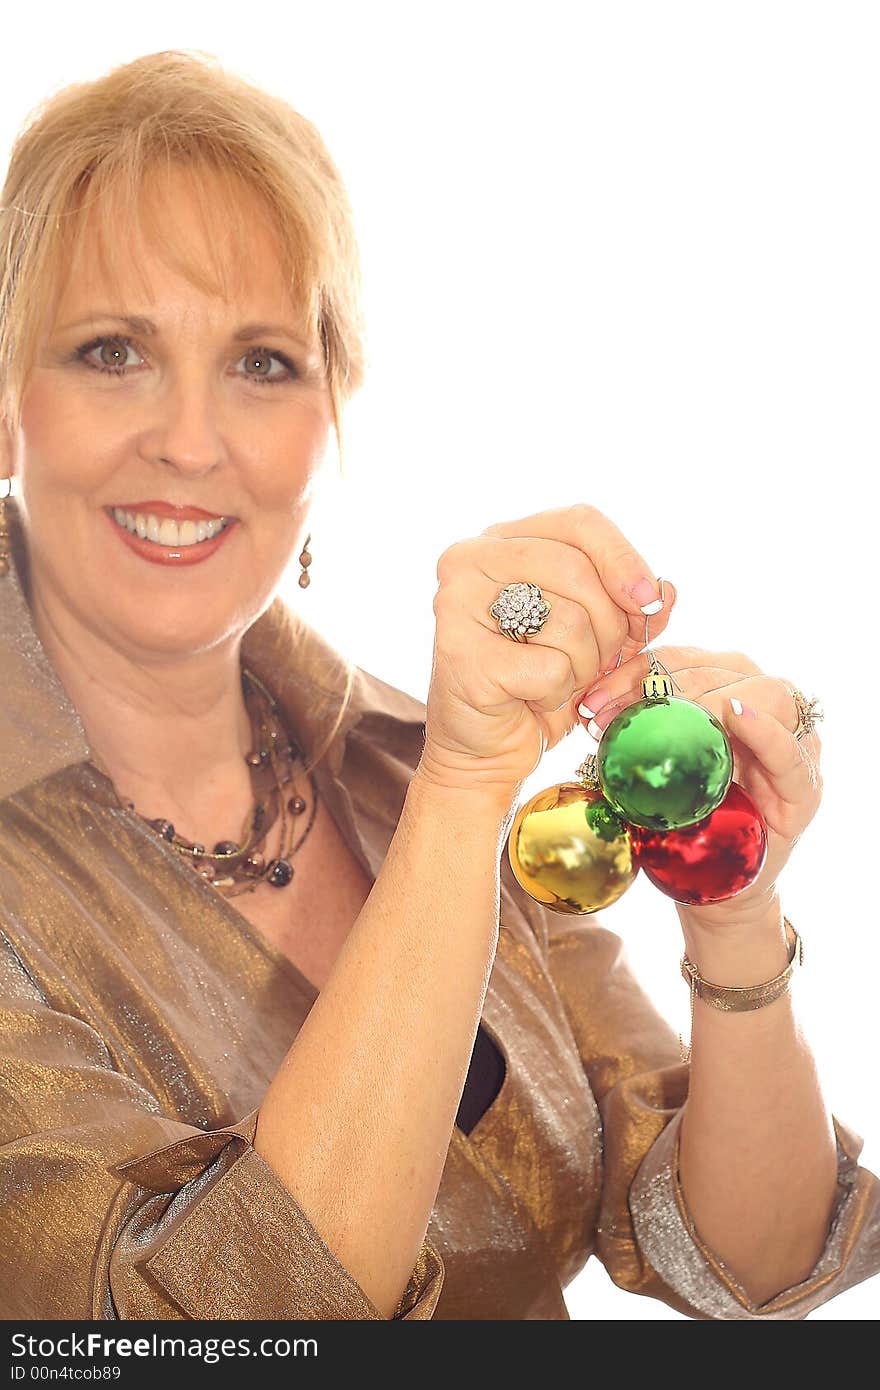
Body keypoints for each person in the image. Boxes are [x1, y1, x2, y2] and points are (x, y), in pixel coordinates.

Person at [0, 49, 877, 1323]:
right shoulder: (453, 783)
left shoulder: (396, 761)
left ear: (332, 421)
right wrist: (466, 795)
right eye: (110, 350)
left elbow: (743, 1260)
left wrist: (727, 897)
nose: (189, 441)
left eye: (261, 363)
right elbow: (213, 1331)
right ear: (10, 399)